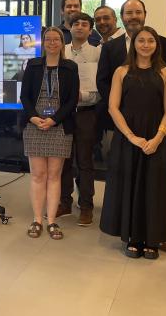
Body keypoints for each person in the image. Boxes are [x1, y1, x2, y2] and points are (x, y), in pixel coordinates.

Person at [99, 26, 166, 260]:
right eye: (141, 40)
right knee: (129, 185)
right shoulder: (121, 72)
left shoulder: (165, 73)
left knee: (153, 187)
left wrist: (158, 137)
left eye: (150, 41)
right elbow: (113, 107)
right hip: (127, 138)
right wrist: (132, 137)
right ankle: (132, 237)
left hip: (155, 139)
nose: (145, 45)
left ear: (156, 45)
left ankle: (152, 239)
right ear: (134, 44)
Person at [20, 27, 78, 241]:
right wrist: (34, 118)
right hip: (34, 124)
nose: (52, 43)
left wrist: (54, 119)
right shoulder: (33, 65)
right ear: (43, 43)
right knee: (38, 175)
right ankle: (37, 219)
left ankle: (52, 220)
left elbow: (72, 100)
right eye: (48, 39)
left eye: (57, 39)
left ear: (63, 43)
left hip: (60, 125)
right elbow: (24, 96)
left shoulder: (71, 67)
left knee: (54, 176)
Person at [96, 0, 166, 132]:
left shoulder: (164, 44)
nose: (134, 16)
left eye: (138, 12)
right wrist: (121, 107)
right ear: (122, 17)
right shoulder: (109, 47)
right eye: (129, 13)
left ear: (145, 15)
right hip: (116, 120)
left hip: (154, 119)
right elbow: (102, 81)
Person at [60, 13, 102, 225]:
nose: (79, 27)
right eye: (76, 23)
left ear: (90, 30)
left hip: (86, 112)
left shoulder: (97, 53)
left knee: (85, 161)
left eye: (85, 24)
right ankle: (64, 202)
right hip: (63, 114)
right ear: (69, 26)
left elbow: (101, 87)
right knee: (64, 160)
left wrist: (82, 96)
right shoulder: (62, 51)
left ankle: (86, 206)